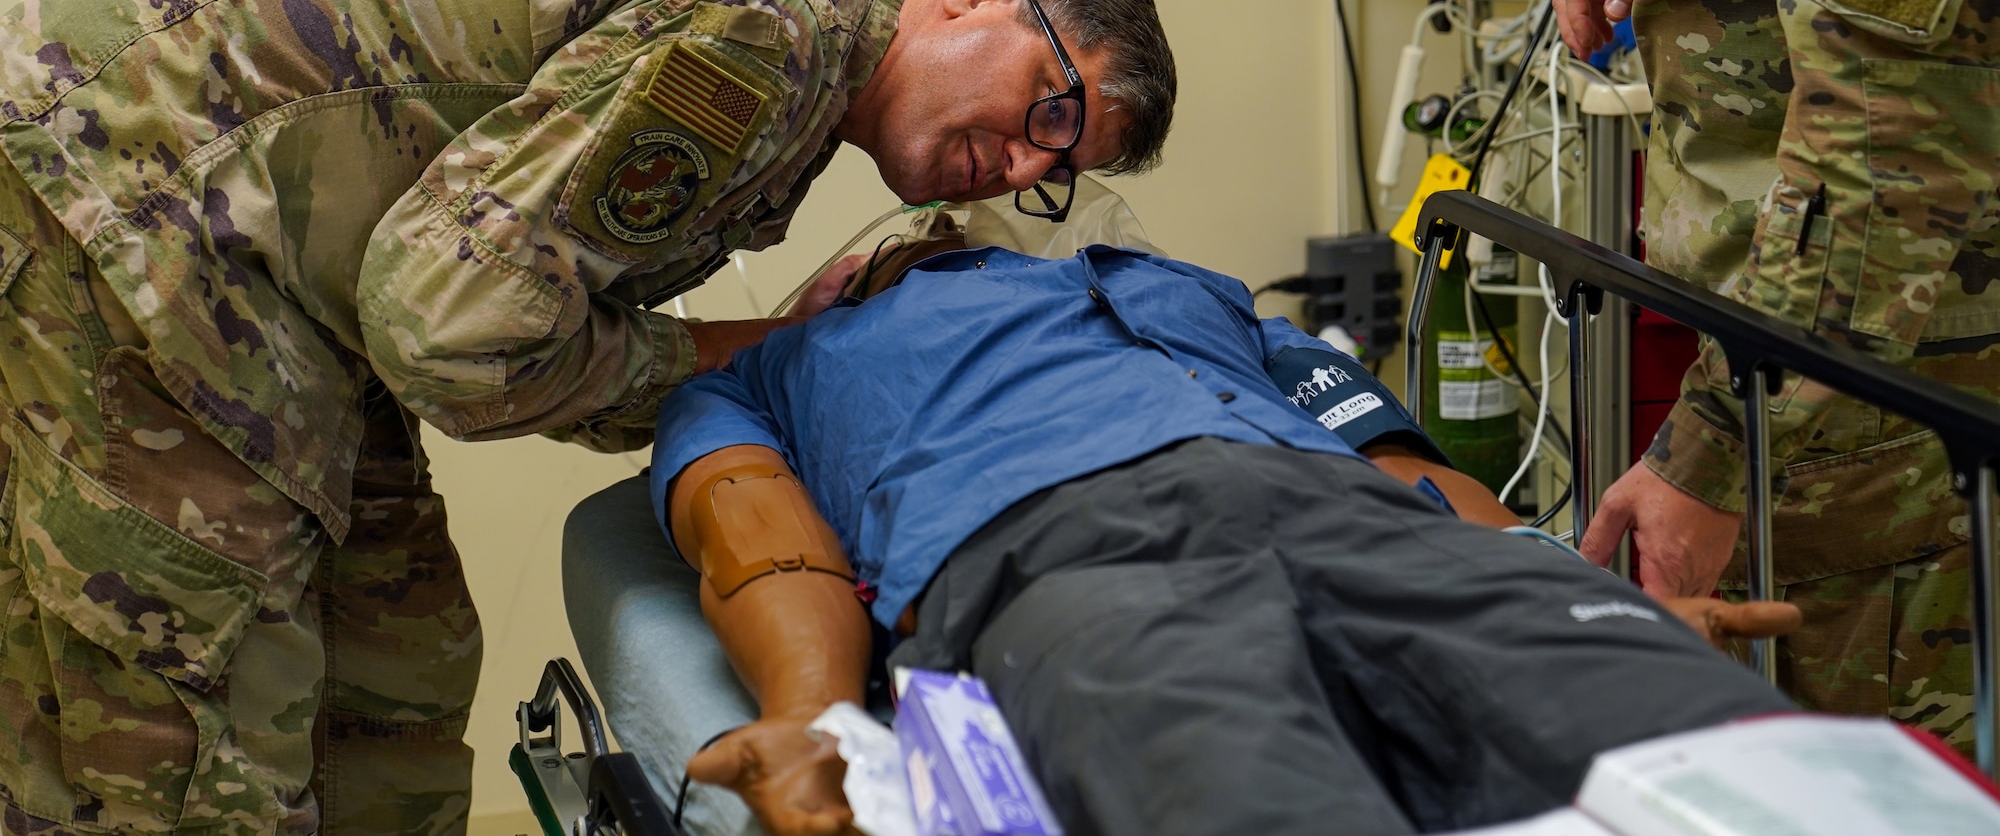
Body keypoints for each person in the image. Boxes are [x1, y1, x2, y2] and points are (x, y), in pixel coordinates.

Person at [0, 0, 1174, 834]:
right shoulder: (768, 24)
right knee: (196, 738)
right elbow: (452, 336)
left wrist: (748, 346)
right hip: (135, 216)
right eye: (1047, 107)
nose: (1016, 164)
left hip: (285, 273)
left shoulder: (790, 68)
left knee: (396, 676)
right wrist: (752, 355)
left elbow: (478, 284)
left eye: (1054, 170)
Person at [653, 241, 1802, 836]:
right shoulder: (778, 366)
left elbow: (1397, 464)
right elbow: (755, 536)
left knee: (1731, 765)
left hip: (1373, 533)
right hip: (1068, 564)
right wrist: (813, 716)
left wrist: (1559, 586)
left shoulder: (1179, 289)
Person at [1555, 0, 2000, 750]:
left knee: (1856, 789)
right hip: (1784, 368)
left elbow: (1888, 142)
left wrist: (1713, 452)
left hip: (1864, 401)